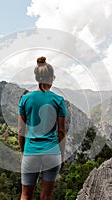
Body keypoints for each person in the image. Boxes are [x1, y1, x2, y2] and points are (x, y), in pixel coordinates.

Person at [18, 56, 67, 200]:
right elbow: (62, 131)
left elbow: (21, 131)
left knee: (26, 195)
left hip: (31, 152)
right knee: (46, 196)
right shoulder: (58, 100)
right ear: (52, 78)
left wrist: (23, 153)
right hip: (52, 152)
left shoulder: (25, 99)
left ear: (37, 78)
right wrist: (62, 156)